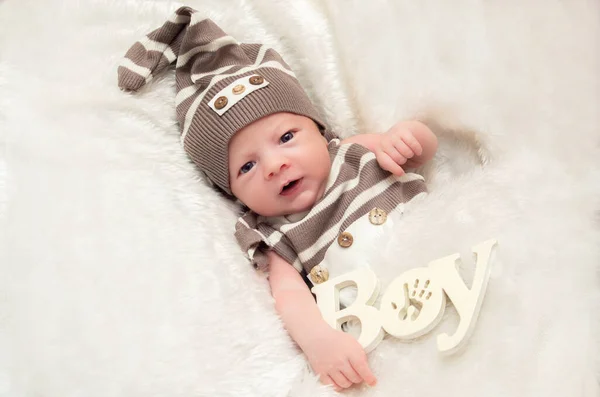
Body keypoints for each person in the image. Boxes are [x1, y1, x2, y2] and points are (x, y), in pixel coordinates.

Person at [118, 6, 438, 391]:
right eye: (247, 167)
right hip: (389, 313)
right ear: (230, 191)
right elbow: (290, 298)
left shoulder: (353, 151)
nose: (273, 166)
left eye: (286, 138)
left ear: (318, 130)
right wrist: (319, 342)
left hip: (443, 250)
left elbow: (420, 154)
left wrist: (408, 137)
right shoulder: (275, 235)